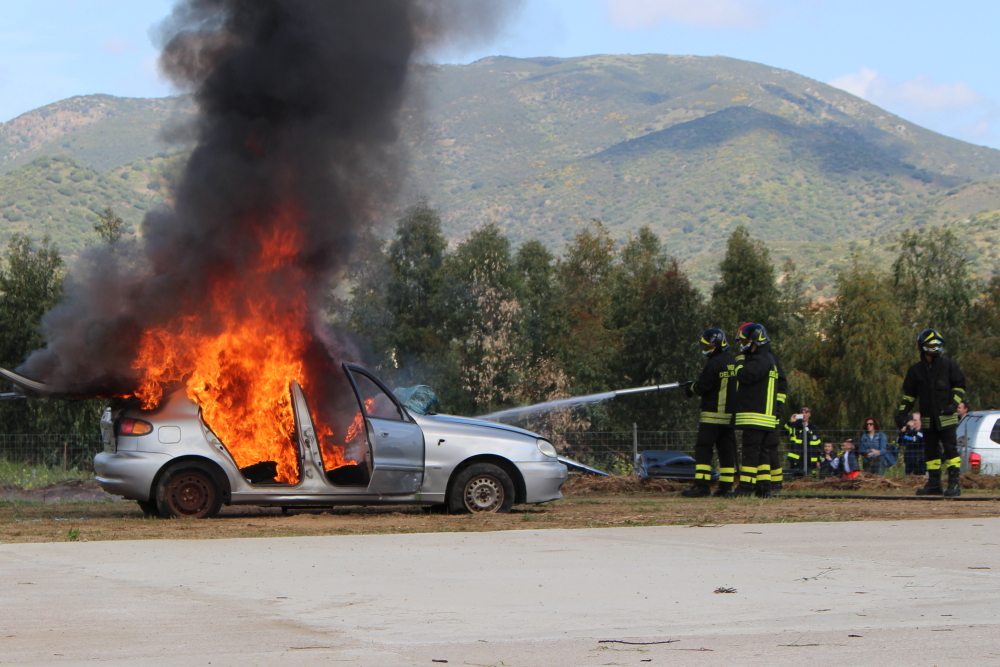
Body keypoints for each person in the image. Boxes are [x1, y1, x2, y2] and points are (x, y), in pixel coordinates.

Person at [895, 329, 967, 497]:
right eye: (931, 345)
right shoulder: (916, 371)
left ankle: (954, 483)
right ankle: (934, 484)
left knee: (950, 450)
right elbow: (909, 396)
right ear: (922, 347)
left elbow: (960, 386)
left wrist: (953, 404)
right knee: (931, 451)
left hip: (947, 418)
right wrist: (901, 414)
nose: (935, 349)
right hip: (928, 419)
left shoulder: (949, 366)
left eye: (938, 345)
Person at [681, 328, 739, 497]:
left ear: (717, 345)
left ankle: (702, 486)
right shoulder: (733, 361)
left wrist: (690, 387)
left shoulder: (714, 363)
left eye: (709, 347)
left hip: (712, 416)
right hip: (729, 418)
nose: (706, 350)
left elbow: (703, 387)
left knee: (703, 450)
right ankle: (726, 487)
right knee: (726, 451)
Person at [730, 323, 780, 498]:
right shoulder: (770, 359)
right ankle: (764, 488)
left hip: (755, 415)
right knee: (762, 454)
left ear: (755, 341)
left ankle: (746, 488)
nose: (742, 345)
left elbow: (744, 376)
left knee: (750, 452)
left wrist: (739, 362)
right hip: (765, 417)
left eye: (745, 341)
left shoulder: (759, 360)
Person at [785, 407, 821, 475]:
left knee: (811, 479)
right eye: (802, 413)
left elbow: (818, 445)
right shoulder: (794, 426)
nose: (804, 414)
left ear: (809, 414)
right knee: (796, 480)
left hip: (810, 459)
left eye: (806, 412)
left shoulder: (814, 428)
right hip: (796, 458)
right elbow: (783, 432)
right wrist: (790, 422)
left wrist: (818, 459)